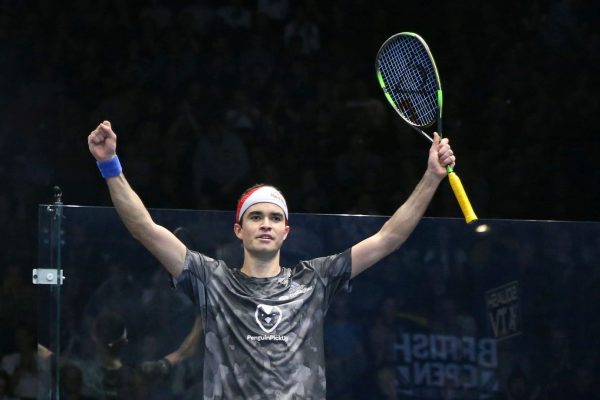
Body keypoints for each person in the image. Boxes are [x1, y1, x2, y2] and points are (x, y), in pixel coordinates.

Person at [87, 120, 456, 399]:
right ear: (239, 230)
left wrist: (431, 176)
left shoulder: (315, 279)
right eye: (256, 217)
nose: (266, 224)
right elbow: (146, 230)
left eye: (275, 218)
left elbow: (388, 238)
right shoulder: (211, 279)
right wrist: (110, 165)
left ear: (286, 232)